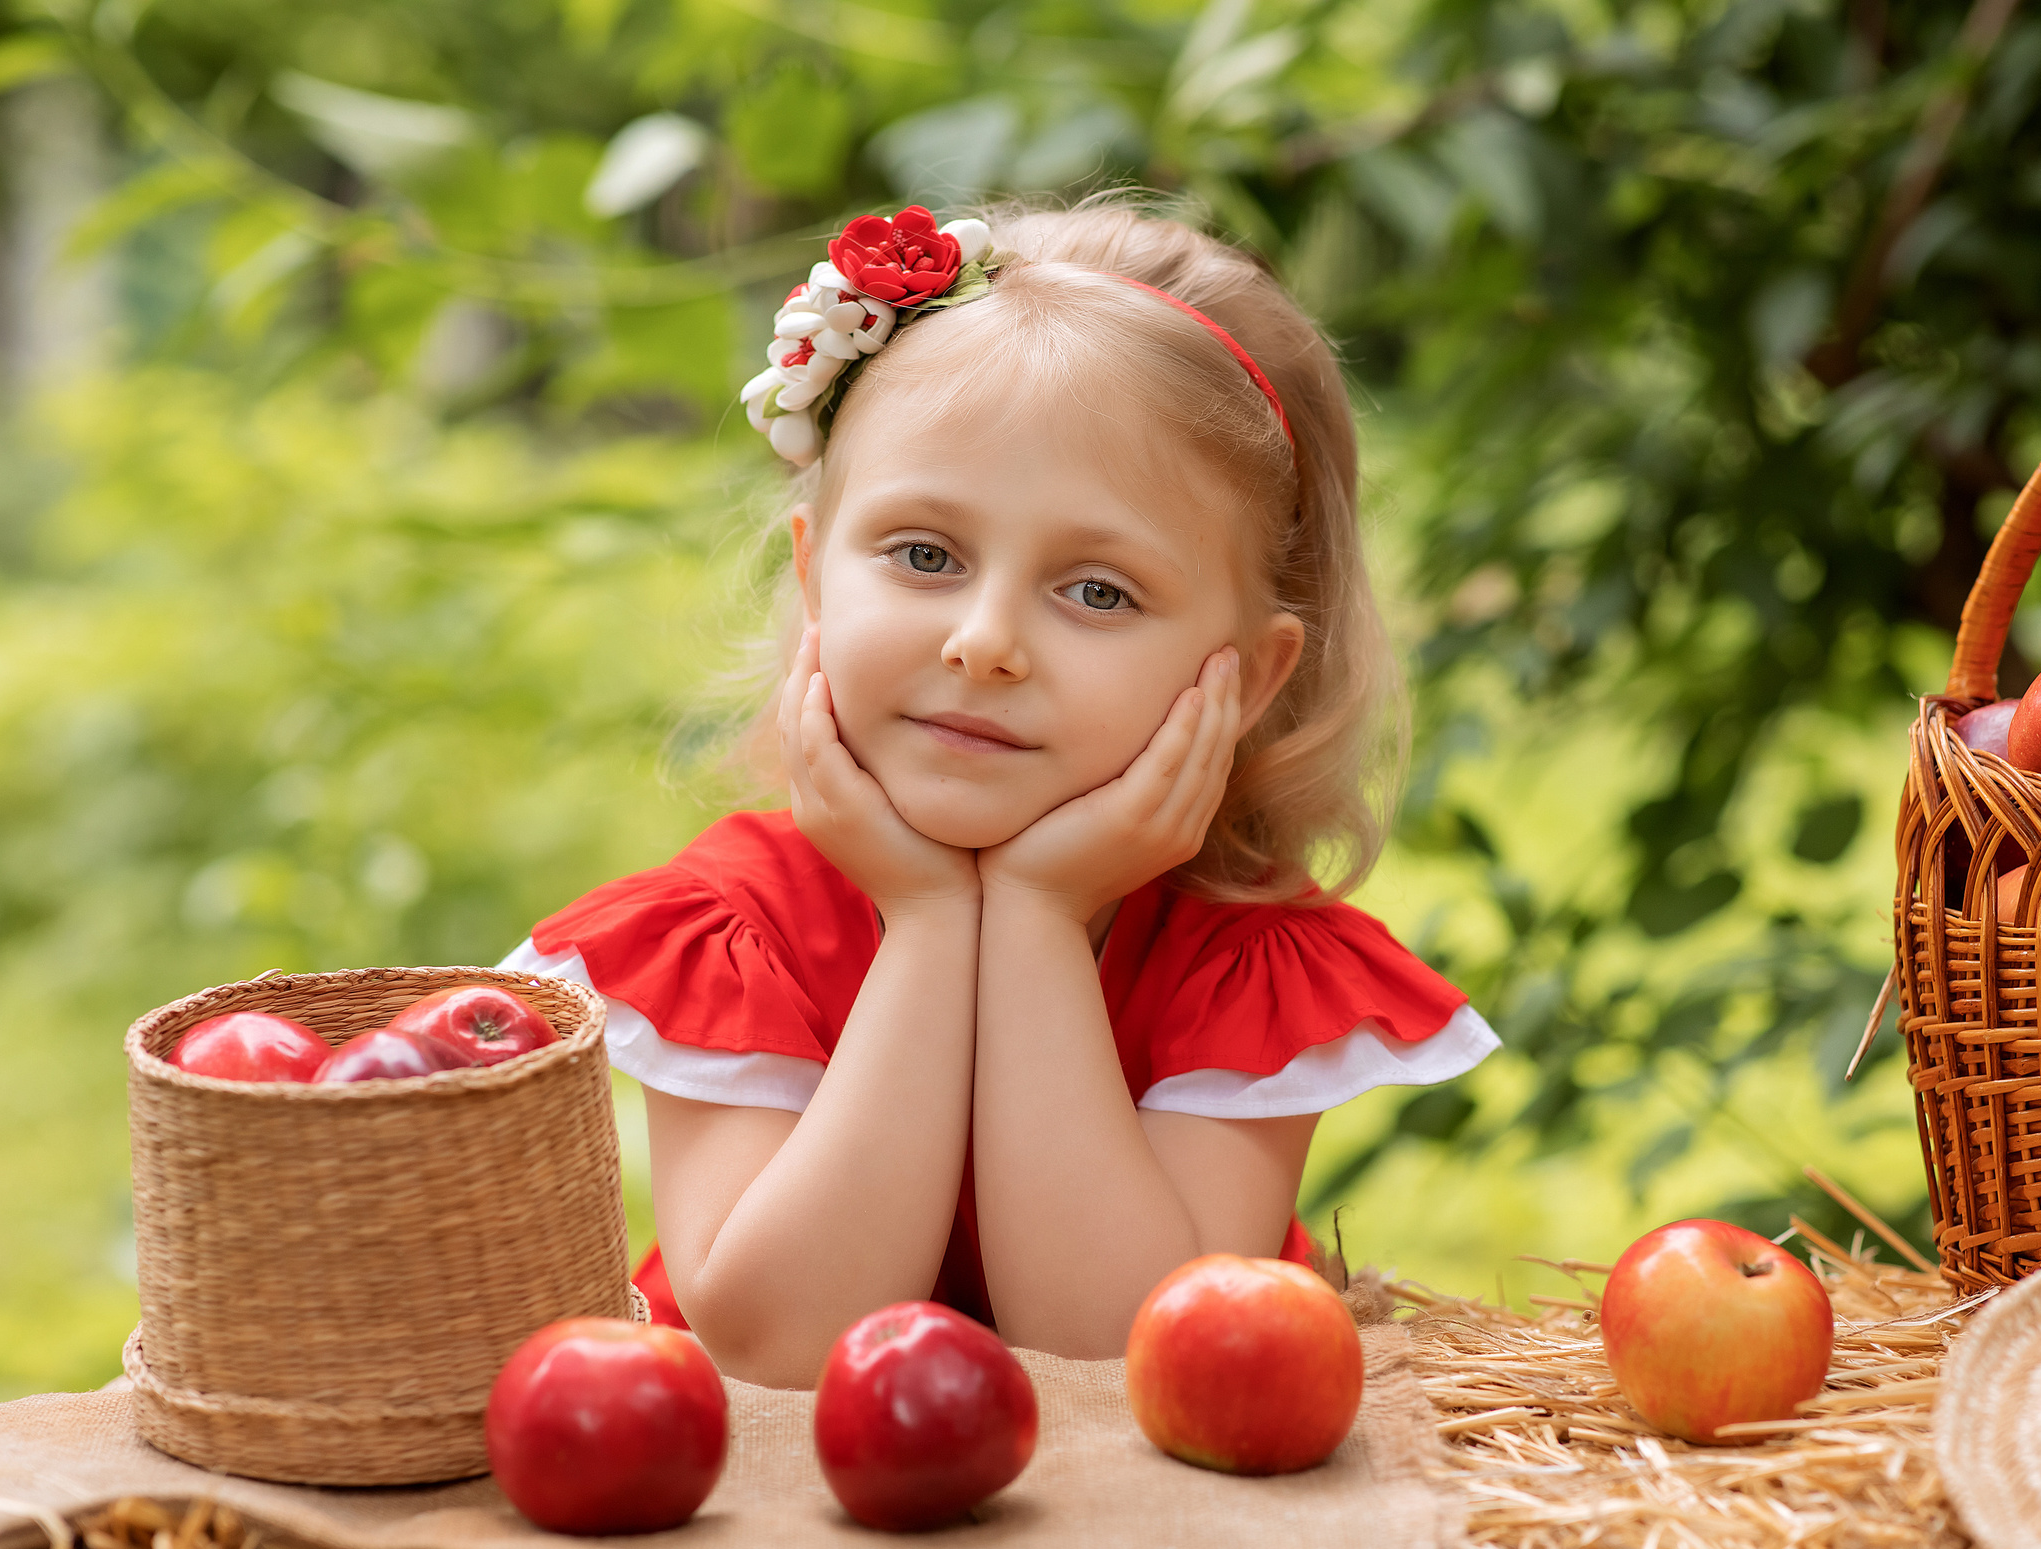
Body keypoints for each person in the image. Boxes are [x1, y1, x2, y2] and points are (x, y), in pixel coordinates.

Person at [501, 201, 1498, 1389]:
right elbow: (776, 1350)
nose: (985, 643)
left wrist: (1027, 916)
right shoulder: (738, 933)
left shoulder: (1240, 973)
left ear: (1246, 678)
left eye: (1096, 591)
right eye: (925, 556)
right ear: (816, 574)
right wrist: (926, 921)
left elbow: (1121, 1353)